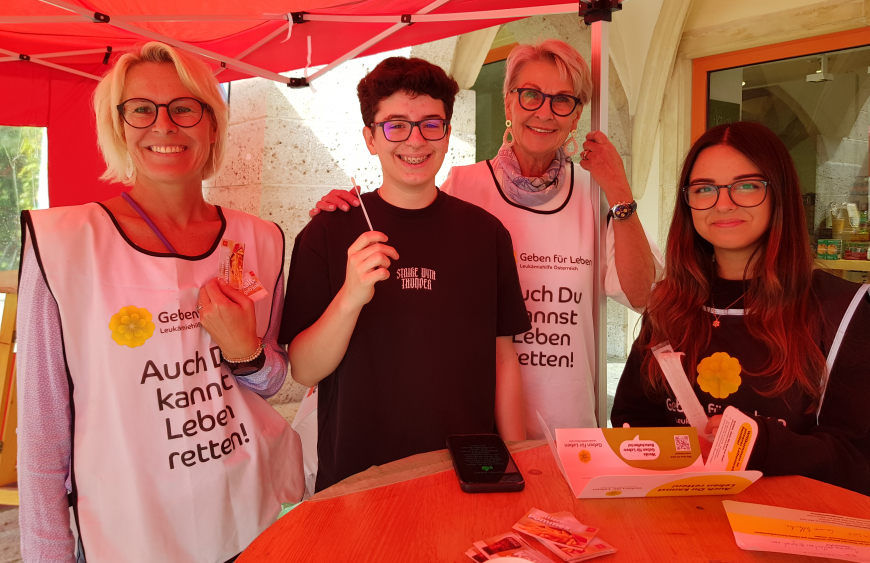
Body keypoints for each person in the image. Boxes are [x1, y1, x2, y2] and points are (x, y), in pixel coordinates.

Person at [18, 42, 304, 563]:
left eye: (184, 107)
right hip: (130, 541)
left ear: (212, 123)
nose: (163, 125)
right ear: (118, 126)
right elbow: (42, 420)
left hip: (242, 518)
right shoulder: (68, 243)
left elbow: (270, 382)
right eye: (141, 109)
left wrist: (244, 349)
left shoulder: (259, 238)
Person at [311, 40, 663, 437]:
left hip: (569, 424)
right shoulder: (463, 187)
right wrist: (348, 209)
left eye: (563, 99)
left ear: (577, 114)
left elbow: (645, 295)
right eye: (530, 95)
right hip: (474, 422)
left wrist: (618, 189)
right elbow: (404, 237)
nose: (544, 112)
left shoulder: (596, 194)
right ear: (509, 103)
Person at [279, 56, 530, 492]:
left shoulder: (486, 234)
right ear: (370, 138)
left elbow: (504, 357)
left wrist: (518, 462)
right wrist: (350, 296)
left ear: (448, 134)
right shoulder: (328, 230)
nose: (415, 140)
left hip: (466, 471)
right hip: (358, 477)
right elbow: (303, 369)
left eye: (431, 125)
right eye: (396, 125)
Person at [611, 122, 870, 495]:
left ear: (779, 193)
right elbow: (632, 421)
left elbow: (857, 461)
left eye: (747, 185)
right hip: (683, 525)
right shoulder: (670, 304)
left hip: (797, 532)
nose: (723, 203)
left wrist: (760, 444)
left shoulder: (844, 310)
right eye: (704, 189)